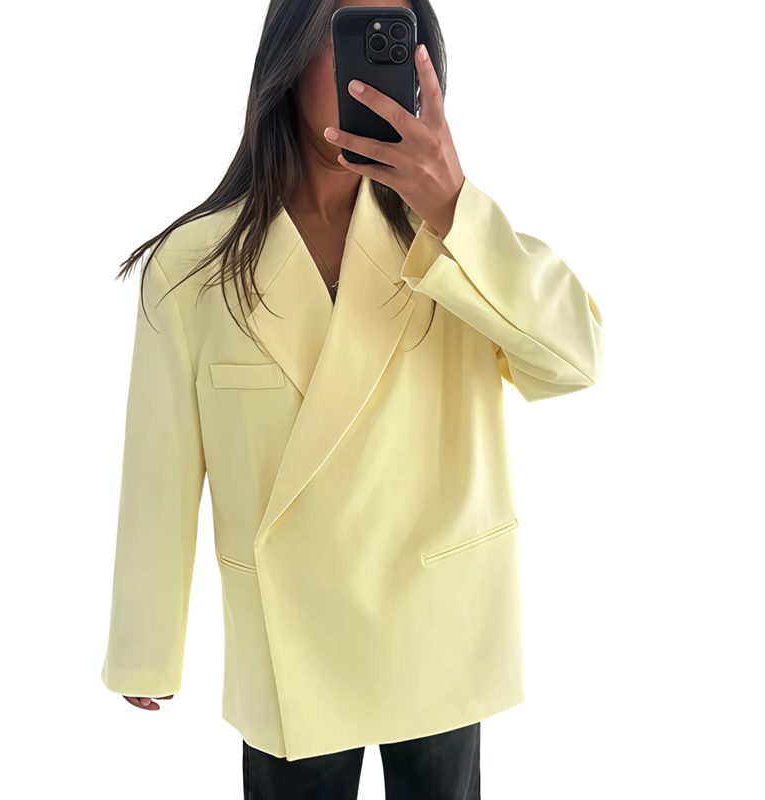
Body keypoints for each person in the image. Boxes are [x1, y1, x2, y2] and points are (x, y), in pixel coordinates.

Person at [100, 0, 606, 797]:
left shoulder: (456, 244)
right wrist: (145, 644)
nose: (365, 66)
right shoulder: (193, 266)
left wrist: (454, 207)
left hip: (437, 618)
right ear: (291, 56)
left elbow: (577, 361)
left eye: (390, 39)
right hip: (288, 635)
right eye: (347, 35)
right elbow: (159, 471)